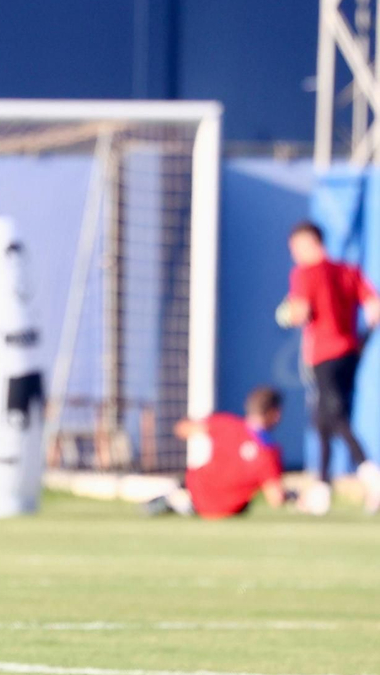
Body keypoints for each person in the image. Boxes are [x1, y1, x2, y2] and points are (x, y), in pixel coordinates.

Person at [279, 221, 380, 512]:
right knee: (323, 417)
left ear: (309, 243)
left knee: (334, 417)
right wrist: (362, 339)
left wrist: (287, 315)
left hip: (324, 354)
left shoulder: (306, 273)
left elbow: (300, 312)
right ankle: (321, 488)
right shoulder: (348, 271)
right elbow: (373, 307)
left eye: (296, 248)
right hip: (350, 353)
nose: (295, 255)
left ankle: (369, 472)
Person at [145, 387, 292, 518]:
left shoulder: (225, 424)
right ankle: (177, 500)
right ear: (274, 413)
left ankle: (176, 499)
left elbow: (182, 429)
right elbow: (276, 498)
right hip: (223, 510)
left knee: (185, 486)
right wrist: (293, 495)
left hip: (196, 489)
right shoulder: (269, 452)